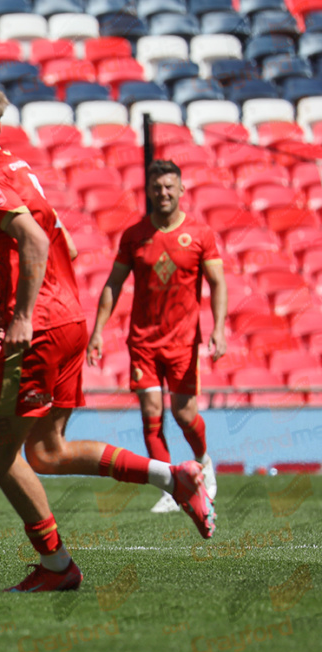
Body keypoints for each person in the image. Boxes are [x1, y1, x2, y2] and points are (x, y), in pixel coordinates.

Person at [0, 78, 215, 593]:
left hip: (41, 327)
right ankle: (174, 477)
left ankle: (56, 565)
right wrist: (12, 303)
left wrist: (21, 312)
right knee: (48, 452)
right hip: (68, 318)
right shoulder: (21, 168)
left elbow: (34, 238)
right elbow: (53, 236)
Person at [87, 160, 227, 513]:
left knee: (183, 413)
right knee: (151, 412)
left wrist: (219, 329)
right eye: (156, 188)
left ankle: (203, 463)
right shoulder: (134, 235)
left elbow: (217, 283)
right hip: (143, 343)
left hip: (183, 343)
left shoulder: (200, 234)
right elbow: (113, 284)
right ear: (148, 192)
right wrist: (98, 331)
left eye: (169, 187)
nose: (163, 193)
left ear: (181, 190)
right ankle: (170, 486)